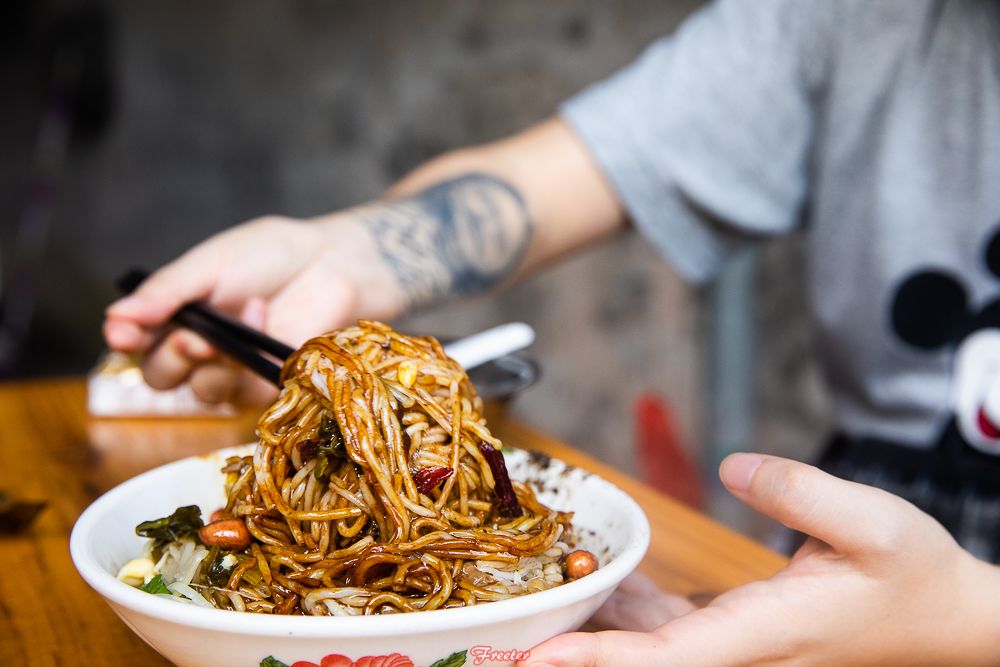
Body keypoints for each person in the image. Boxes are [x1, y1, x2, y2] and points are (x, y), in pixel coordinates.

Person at [103, 0, 1000, 664]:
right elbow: (542, 184)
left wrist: (964, 616)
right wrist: (332, 256)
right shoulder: (861, 20)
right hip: (824, 587)